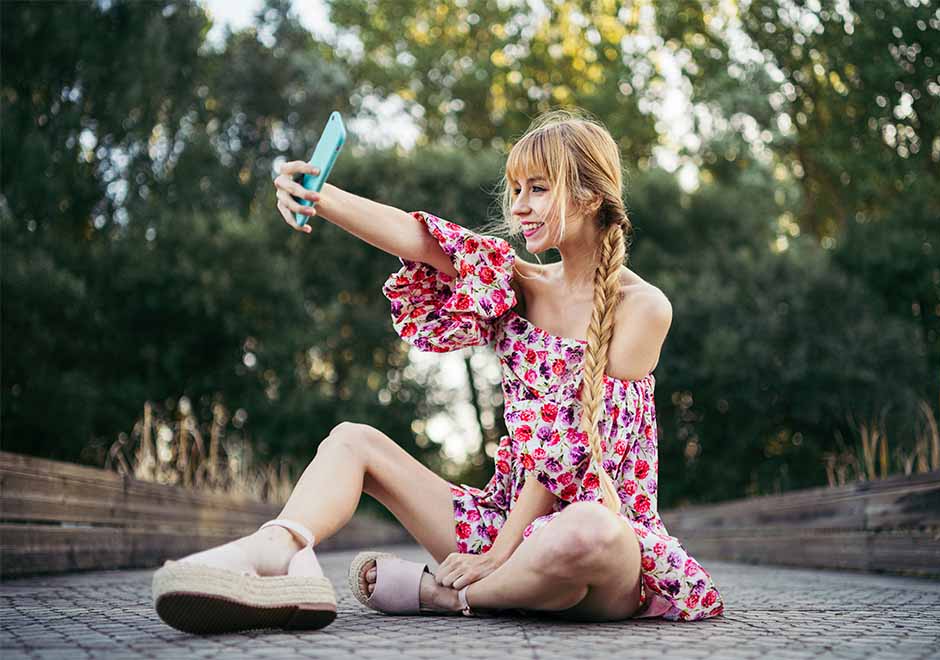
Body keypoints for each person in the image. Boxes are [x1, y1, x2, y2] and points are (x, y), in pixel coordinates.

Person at [151, 109, 725, 634]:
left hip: (593, 548)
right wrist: (319, 196)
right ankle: (278, 550)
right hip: (503, 522)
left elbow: (572, 452)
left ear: (591, 195)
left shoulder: (643, 307)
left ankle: (445, 597)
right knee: (352, 441)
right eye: (516, 190)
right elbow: (417, 236)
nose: (519, 206)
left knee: (590, 530)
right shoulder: (518, 283)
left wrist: (499, 553)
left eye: (538, 188)